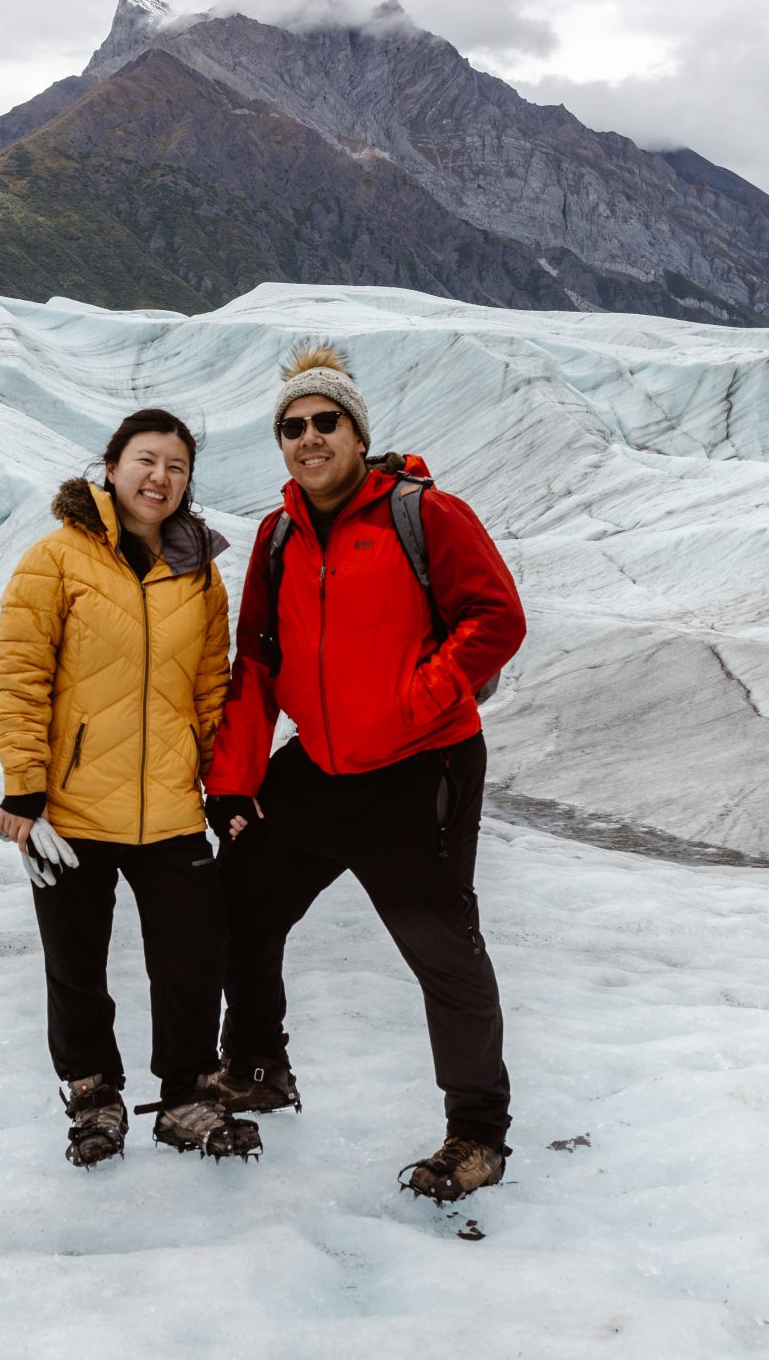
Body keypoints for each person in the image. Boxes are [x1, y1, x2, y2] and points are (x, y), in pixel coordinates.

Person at [204, 344, 528, 1203]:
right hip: (319, 767)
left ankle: (477, 1134)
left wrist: (417, 699)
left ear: (356, 433)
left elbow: (497, 617)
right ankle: (258, 1067)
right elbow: (257, 665)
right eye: (292, 427)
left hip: (420, 767)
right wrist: (233, 781)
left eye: (325, 422)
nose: (309, 438)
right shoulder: (277, 538)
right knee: (240, 902)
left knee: (440, 947)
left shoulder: (425, 514)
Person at [0, 409, 261, 1168]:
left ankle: (188, 1096)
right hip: (71, 809)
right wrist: (24, 791)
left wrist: (225, 787)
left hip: (170, 807)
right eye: (146, 460)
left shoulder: (198, 573)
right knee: (75, 966)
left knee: (192, 957)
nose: (159, 478)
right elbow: (22, 680)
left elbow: (211, 688)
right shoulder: (55, 559)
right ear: (111, 467)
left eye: (176, 466)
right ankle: (93, 1095)